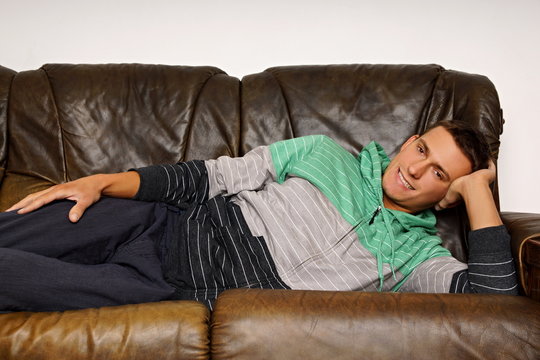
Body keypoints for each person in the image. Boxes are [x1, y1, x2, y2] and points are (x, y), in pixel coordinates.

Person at [0, 120, 518, 312]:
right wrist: (100, 182)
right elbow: (211, 176)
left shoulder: (416, 258)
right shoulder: (322, 152)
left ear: (450, 197)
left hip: (165, 286)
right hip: (159, 221)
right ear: (408, 141)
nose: (417, 168)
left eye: (441, 175)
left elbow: (495, 305)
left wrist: (477, 190)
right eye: (422, 149)